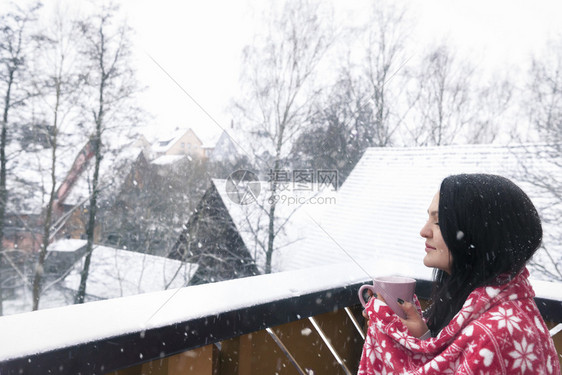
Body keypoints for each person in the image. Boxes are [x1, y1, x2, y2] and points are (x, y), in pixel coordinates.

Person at [358, 174, 560, 374]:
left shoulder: (497, 333)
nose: (424, 231)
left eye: (438, 223)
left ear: (479, 234)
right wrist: (419, 339)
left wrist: (391, 347)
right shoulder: (486, 306)